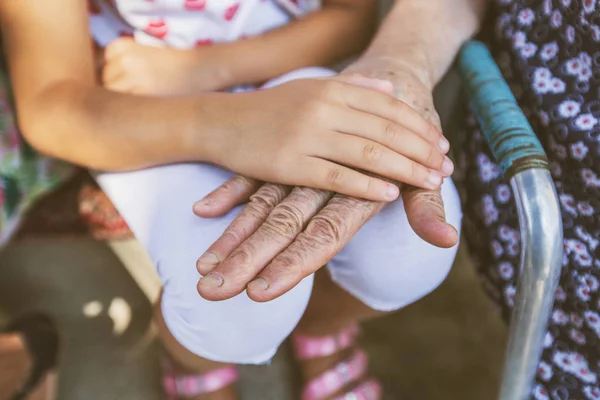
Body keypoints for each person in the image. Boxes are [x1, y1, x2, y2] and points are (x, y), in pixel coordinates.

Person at [0, 1, 462, 399]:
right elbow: (52, 104)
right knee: (226, 303)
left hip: (294, 69)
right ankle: (194, 364)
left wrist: (211, 67)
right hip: (151, 101)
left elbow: (351, 15)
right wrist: (225, 120)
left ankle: (320, 329)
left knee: (412, 250)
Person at [200, 0, 600, 398]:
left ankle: (320, 330)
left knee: (404, 258)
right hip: (525, 151)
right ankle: (299, 335)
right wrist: (402, 66)